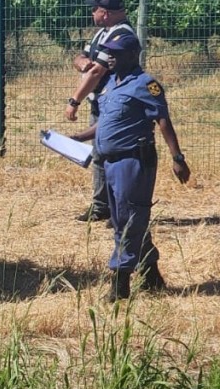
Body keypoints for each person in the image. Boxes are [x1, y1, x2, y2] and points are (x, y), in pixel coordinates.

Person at [68, 34, 190, 301]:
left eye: (117, 53)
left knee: (128, 220)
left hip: (133, 160)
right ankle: (151, 273)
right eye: (108, 52)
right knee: (124, 218)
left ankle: (119, 282)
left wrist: (177, 159)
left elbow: (163, 121)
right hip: (110, 163)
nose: (110, 57)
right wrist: (79, 137)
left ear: (133, 54)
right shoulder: (111, 83)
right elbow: (106, 123)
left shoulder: (146, 85)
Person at [64, 0, 136, 223]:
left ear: (105, 13)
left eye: (94, 9)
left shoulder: (120, 36)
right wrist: (83, 62)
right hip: (100, 103)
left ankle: (117, 210)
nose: (92, 12)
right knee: (99, 155)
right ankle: (102, 207)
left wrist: (74, 101)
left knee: (111, 155)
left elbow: (97, 71)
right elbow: (81, 58)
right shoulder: (101, 34)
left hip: (114, 105)